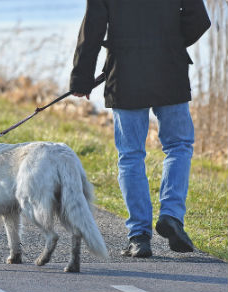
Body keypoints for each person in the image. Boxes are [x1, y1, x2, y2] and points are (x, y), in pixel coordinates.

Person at [70, 0, 211, 257]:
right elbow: (200, 20)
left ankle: (139, 236)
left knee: (131, 155)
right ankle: (171, 215)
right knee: (178, 146)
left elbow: (92, 29)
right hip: (170, 71)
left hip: (125, 76)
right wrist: (171, 42)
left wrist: (81, 78)